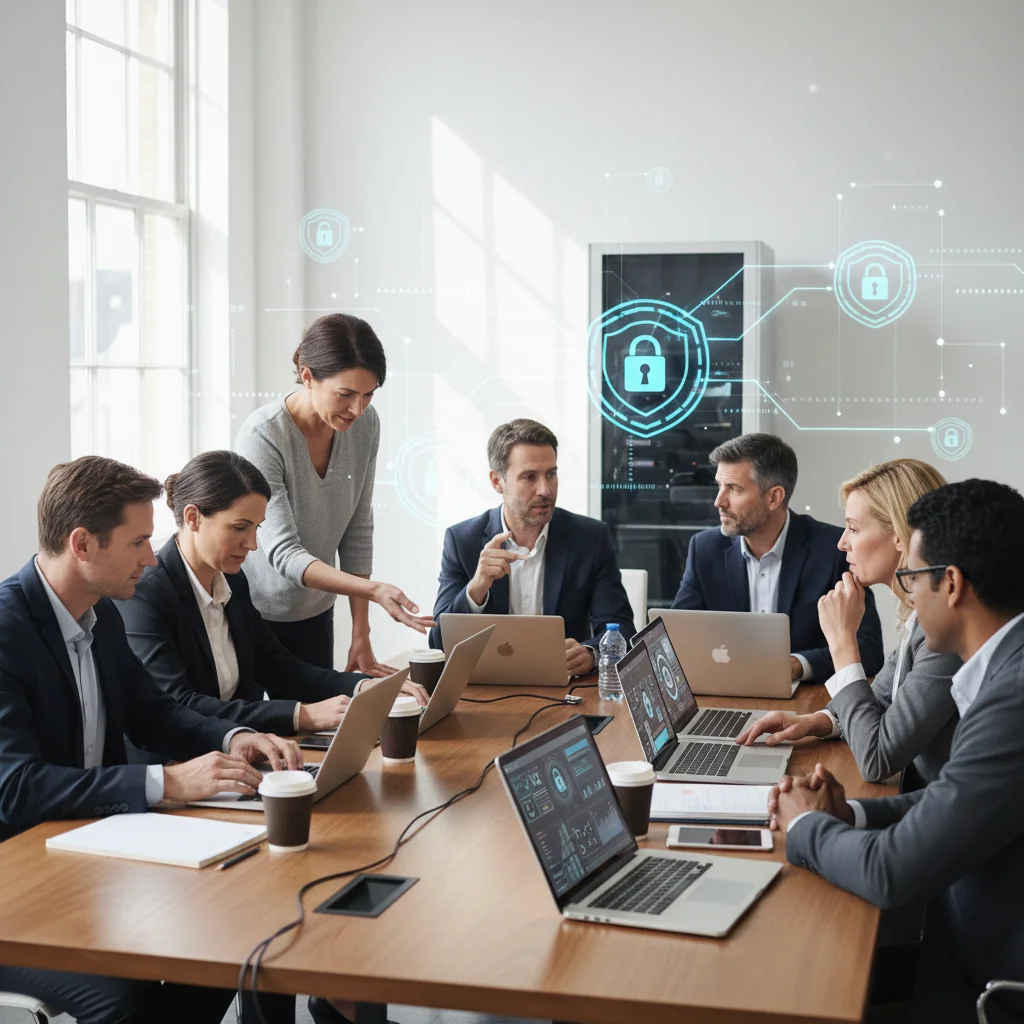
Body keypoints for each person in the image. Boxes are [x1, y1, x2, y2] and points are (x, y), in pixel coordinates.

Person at [0, 456, 303, 1023]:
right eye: (139, 541)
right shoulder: (6, 630)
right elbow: (14, 788)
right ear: (83, 543)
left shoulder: (99, 614)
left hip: (92, 850)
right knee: (120, 1002)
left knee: (244, 933)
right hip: (17, 877)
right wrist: (165, 781)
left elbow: (156, 715)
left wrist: (236, 735)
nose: (150, 556)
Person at [770, 479, 1024, 1022]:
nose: (909, 593)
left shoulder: (1013, 696)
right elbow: (950, 799)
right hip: (960, 937)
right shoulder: (1004, 667)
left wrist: (805, 828)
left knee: (798, 982)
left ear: (950, 583)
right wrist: (851, 813)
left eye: (914, 576)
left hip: (986, 982)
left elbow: (892, 872)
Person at [115, 451, 426, 740]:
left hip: (240, 754)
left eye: (256, 529)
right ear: (194, 517)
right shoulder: (146, 595)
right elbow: (179, 705)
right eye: (239, 528)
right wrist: (301, 715)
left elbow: (279, 668)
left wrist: (365, 687)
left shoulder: (233, 582)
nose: (252, 544)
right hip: (175, 766)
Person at [738, 459, 961, 786]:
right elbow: (883, 701)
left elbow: (876, 759)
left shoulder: (944, 633)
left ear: (901, 535)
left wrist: (842, 641)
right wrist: (816, 721)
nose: (842, 542)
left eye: (854, 528)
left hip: (935, 807)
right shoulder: (917, 614)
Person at [236, 313, 433, 675]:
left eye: (368, 395)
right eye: (345, 395)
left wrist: (362, 631)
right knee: (265, 725)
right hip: (252, 613)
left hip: (315, 611)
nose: (356, 409)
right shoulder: (264, 436)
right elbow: (283, 553)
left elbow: (357, 527)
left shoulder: (364, 426)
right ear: (308, 376)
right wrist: (374, 590)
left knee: (320, 722)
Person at [671, 433, 885, 683]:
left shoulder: (834, 549)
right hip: (726, 693)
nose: (719, 501)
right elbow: (675, 638)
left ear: (774, 497)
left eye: (734, 489)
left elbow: (869, 650)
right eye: (719, 486)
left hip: (804, 703)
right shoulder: (705, 549)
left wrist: (797, 665)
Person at [429, 419, 635, 676]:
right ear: (497, 481)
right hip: (488, 689)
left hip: (566, 692)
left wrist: (590, 654)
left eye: (551, 474)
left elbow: (622, 629)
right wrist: (477, 588)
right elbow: (438, 645)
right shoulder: (463, 541)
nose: (545, 490)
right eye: (529, 477)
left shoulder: (590, 538)